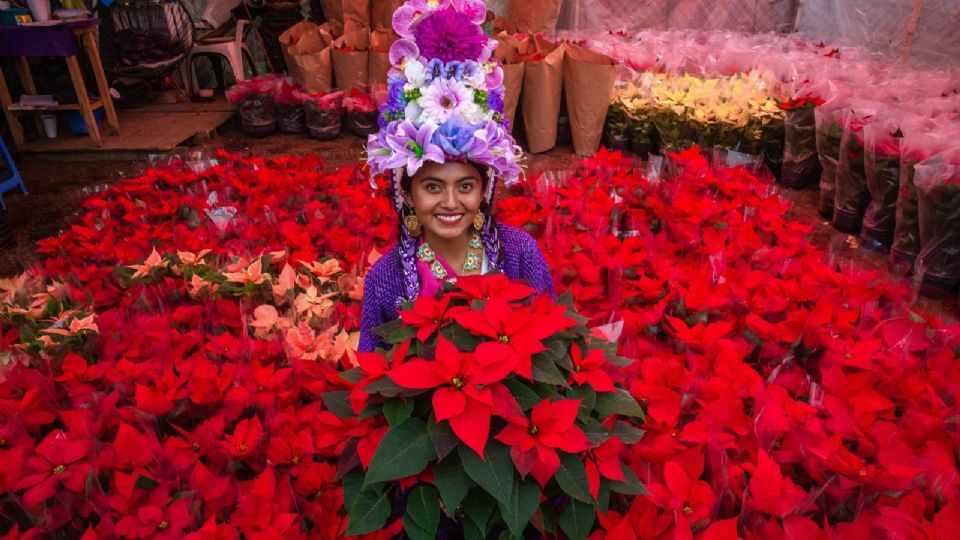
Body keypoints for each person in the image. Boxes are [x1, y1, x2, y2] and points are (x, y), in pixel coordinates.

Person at [357, 0, 554, 353]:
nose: (450, 202)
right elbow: (374, 380)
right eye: (433, 186)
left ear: (485, 191)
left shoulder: (520, 254)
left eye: (465, 186)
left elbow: (552, 345)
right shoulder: (385, 279)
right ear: (407, 192)